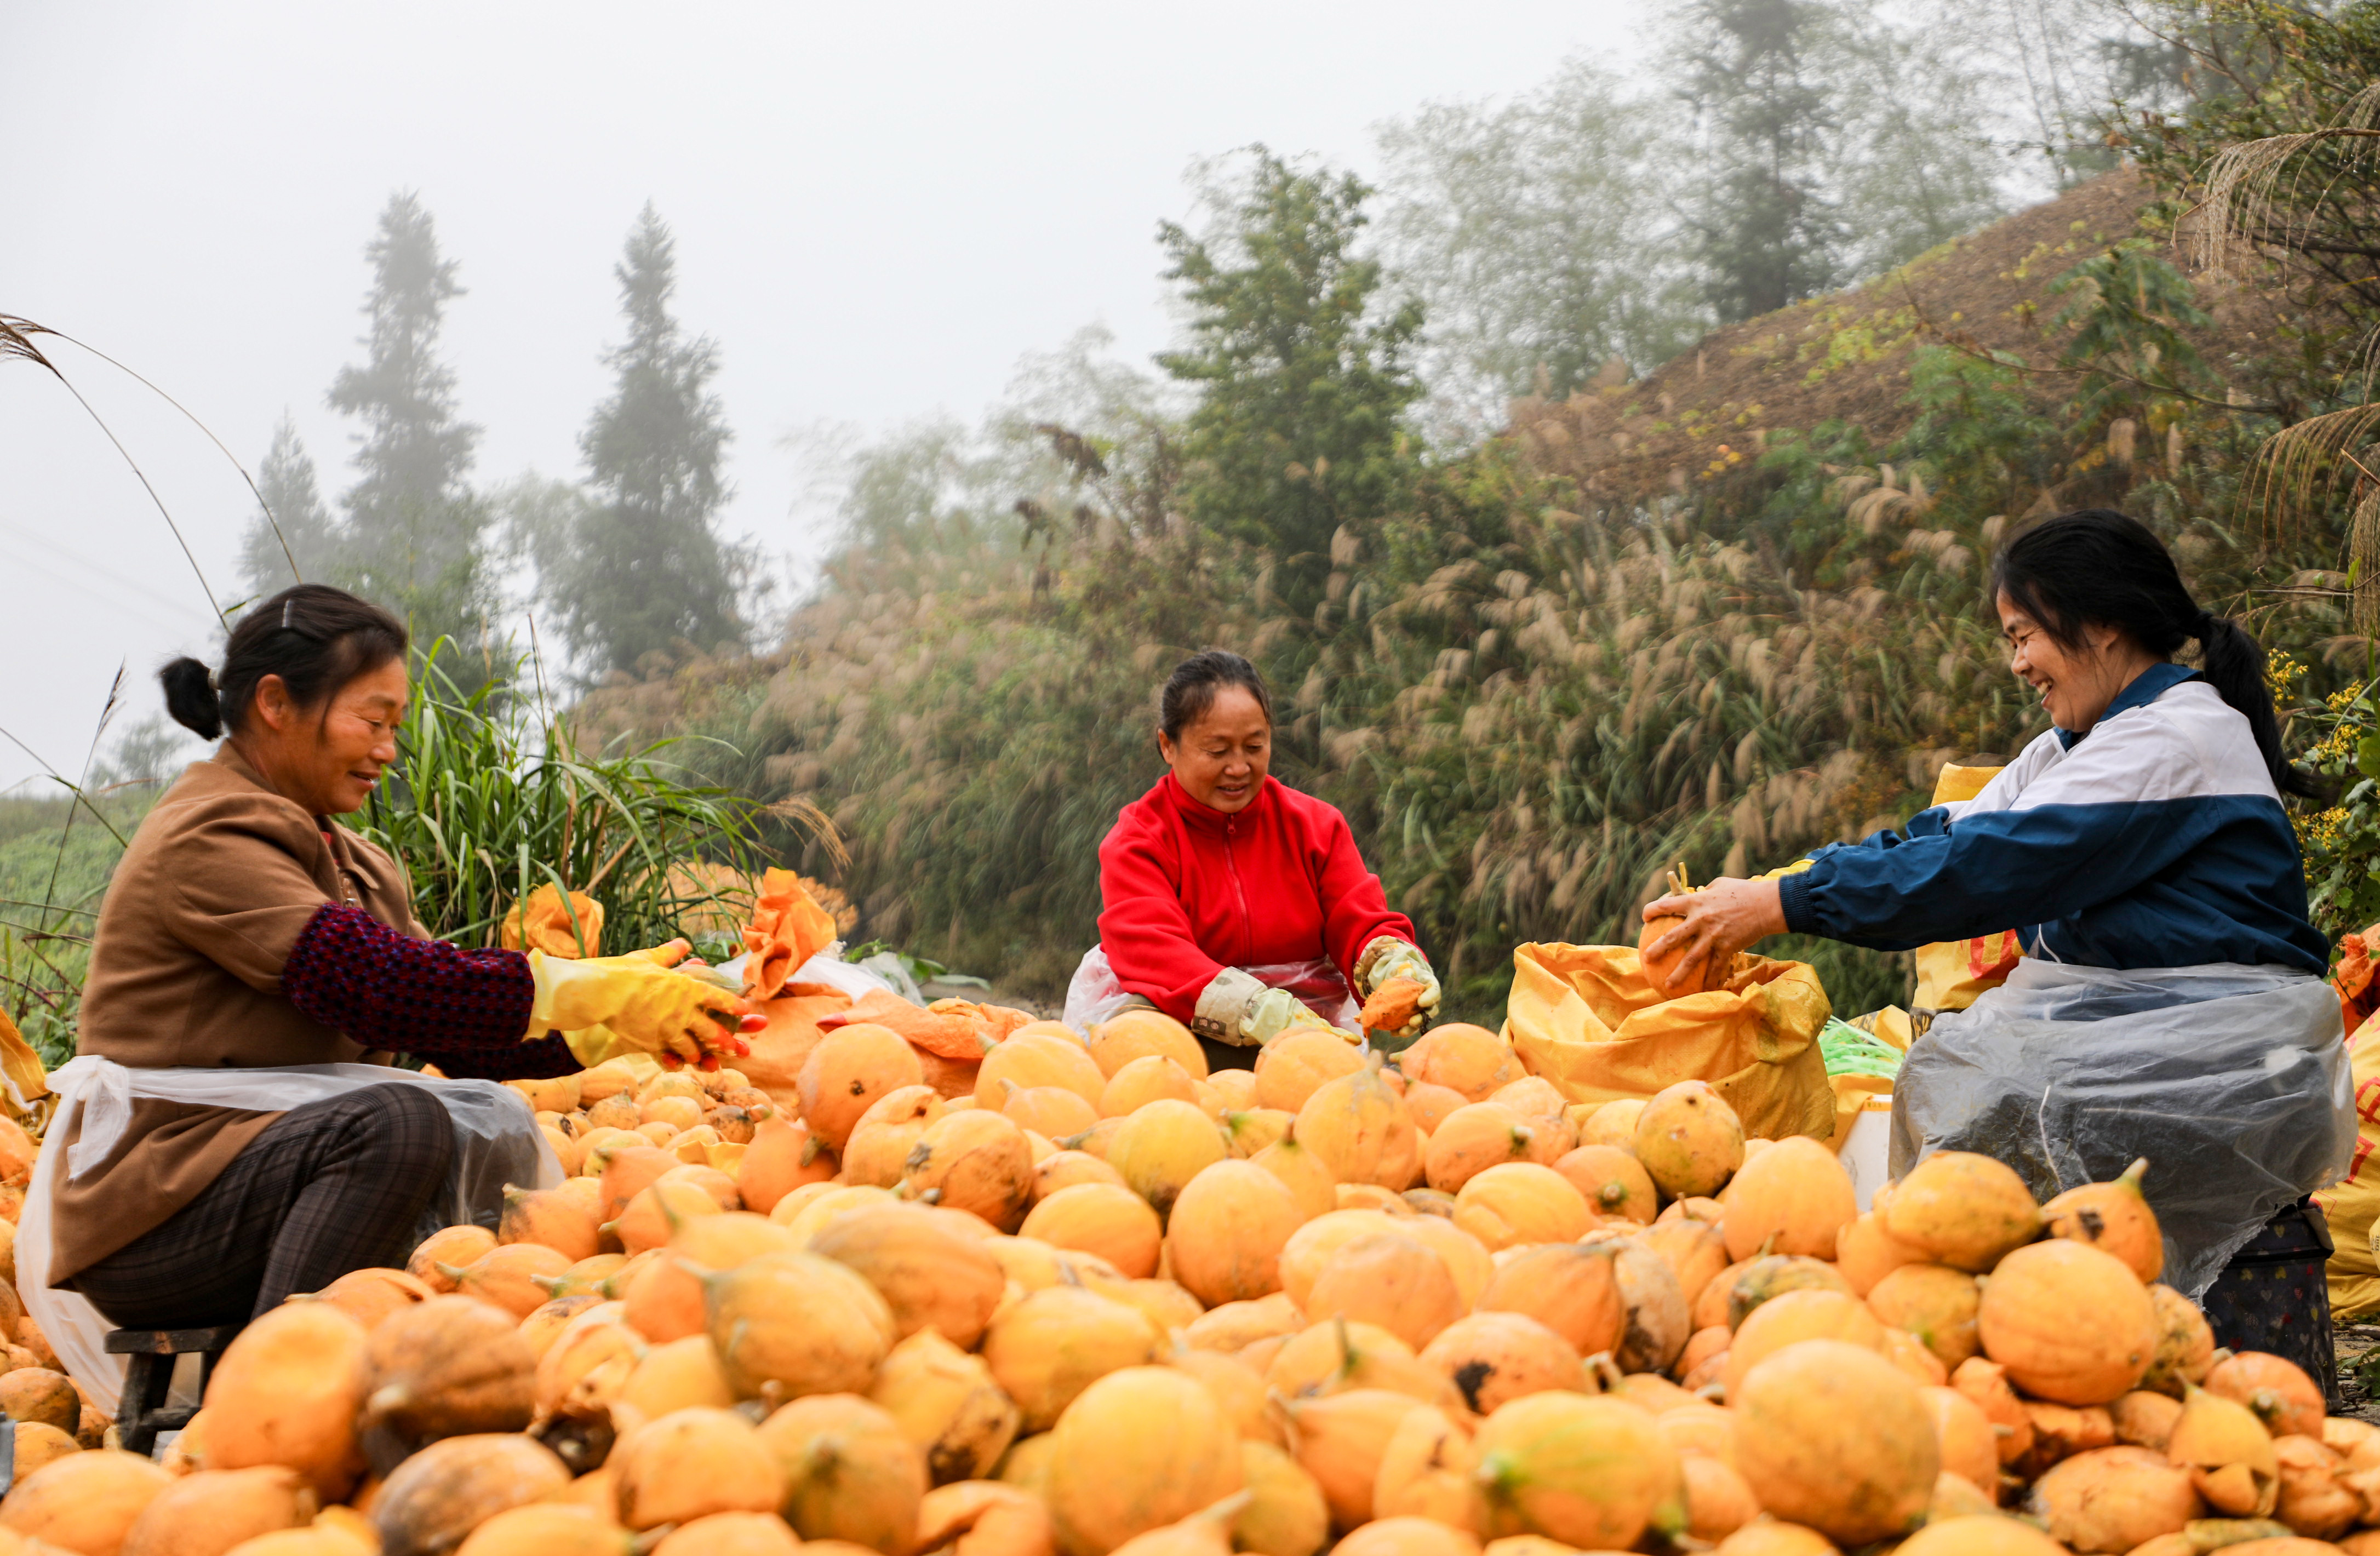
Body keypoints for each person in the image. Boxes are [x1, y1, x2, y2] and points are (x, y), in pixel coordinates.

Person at [1639, 510, 2352, 1334]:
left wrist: (1784, 906)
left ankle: (2009, 1332)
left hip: (2221, 1061)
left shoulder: (2176, 737)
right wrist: (1775, 887)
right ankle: (2000, 1331)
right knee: (1957, 1087)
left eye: (2025, 636)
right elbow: (1946, 836)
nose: (2018, 664)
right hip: (2155, 1036)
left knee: (1964, 1095)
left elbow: (1991, 867)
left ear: (2105, 622)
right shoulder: (2074, 746)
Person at [39, 584, 759, 1331]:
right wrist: (591, 991)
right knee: (397, 1124)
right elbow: (379, 987)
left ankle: (453, 1358)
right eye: (371, 721)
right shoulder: (207, 836)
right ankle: (285, 1384)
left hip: (255, 1177)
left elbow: (455, 1030)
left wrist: (628, 1015)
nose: (387, 749)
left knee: (483, 1124)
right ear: (276, 704)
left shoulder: (354, 861)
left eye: (395, 725)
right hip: (160, 1210)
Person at [1087, 649, 1439, 1070]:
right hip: (1183, 1035)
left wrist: (1393, 964)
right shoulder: (1139, 841)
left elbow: (1358, 916)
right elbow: (1155, 951)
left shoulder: (1316, 827)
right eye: (1217, 752)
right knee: (1141, 1055)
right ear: (1168, 745)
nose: (1239, 767)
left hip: (1313, 1031)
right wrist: (1255, 1010)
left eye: (1254, 746)